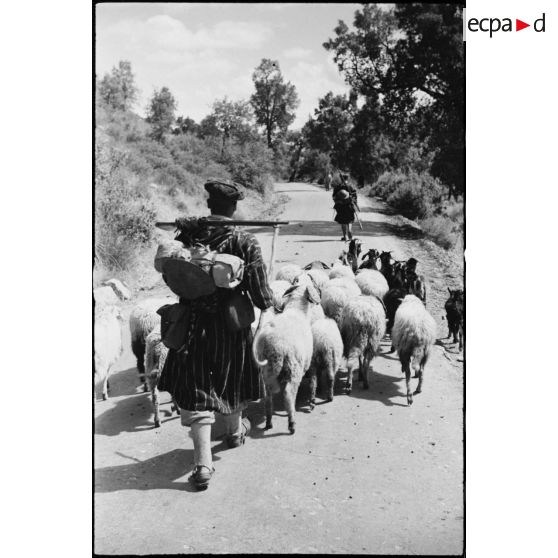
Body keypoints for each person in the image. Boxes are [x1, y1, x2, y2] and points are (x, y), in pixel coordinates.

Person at [157, 180, 275, 491]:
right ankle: (234, 433)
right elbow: (262, 294)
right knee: (230, 380)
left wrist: (186, 226)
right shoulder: (245, 241)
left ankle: (203, 465)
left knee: (198, 388)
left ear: (209, 205)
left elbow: (173, 270)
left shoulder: (190, 235)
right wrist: (268, 301)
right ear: (234, 207)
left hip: (193, 326)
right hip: (230, 328)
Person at [332, 173, 359, 241]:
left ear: (341, 178)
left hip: (340, 206)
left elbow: (334, 197)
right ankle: (349, 230)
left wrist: (338, 202)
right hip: (349, 205)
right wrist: (355, 203)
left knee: (343, 221)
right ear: (348, 178)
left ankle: (345, 236)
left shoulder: (338, 187)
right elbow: (354, 196)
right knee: (349, 220)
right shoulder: (351, 186)